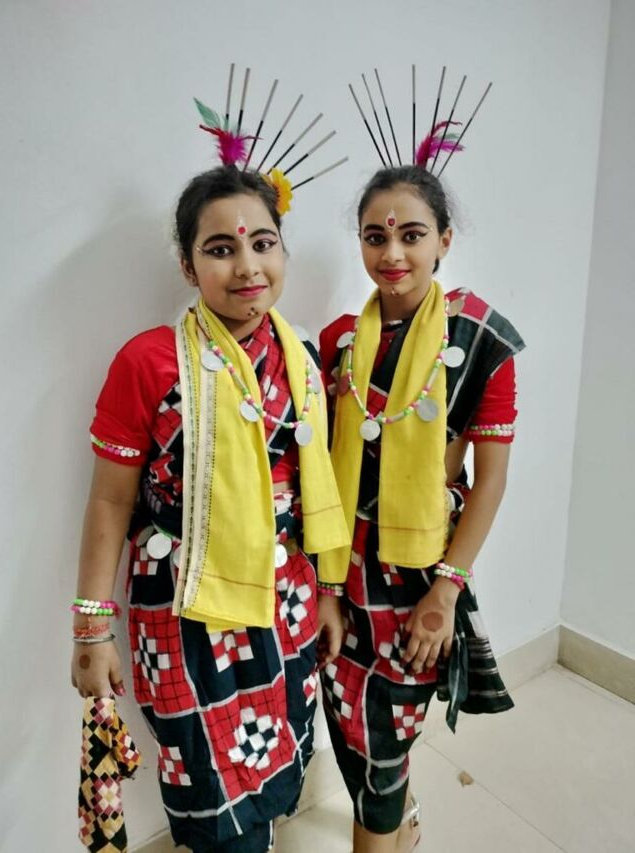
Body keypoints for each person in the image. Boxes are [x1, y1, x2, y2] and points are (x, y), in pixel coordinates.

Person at [70, 99, 350, 851]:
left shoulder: (302, 359)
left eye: (263, 242)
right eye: (221, 248)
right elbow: (110, 500)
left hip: (285, 601)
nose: (248, 265)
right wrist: (91, 627)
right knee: (206, 786)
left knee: (275, 757)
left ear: (284, 251)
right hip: (185, 610)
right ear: (188, 265)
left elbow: (313, 489)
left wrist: (327, 592)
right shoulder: (148, 362)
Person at [318, 89, 525, 853]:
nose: (392, 254)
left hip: (418, 575)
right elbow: (322, 471)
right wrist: (327, 586)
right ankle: (399, 822)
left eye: (411, 234)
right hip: (341, 567)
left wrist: (447, 589)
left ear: (444, 240)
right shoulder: (340, 342)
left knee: (387, 735)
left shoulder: (480, 339)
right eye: (375, 236)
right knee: (345, 716)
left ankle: (386, 825)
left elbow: (490, 478)